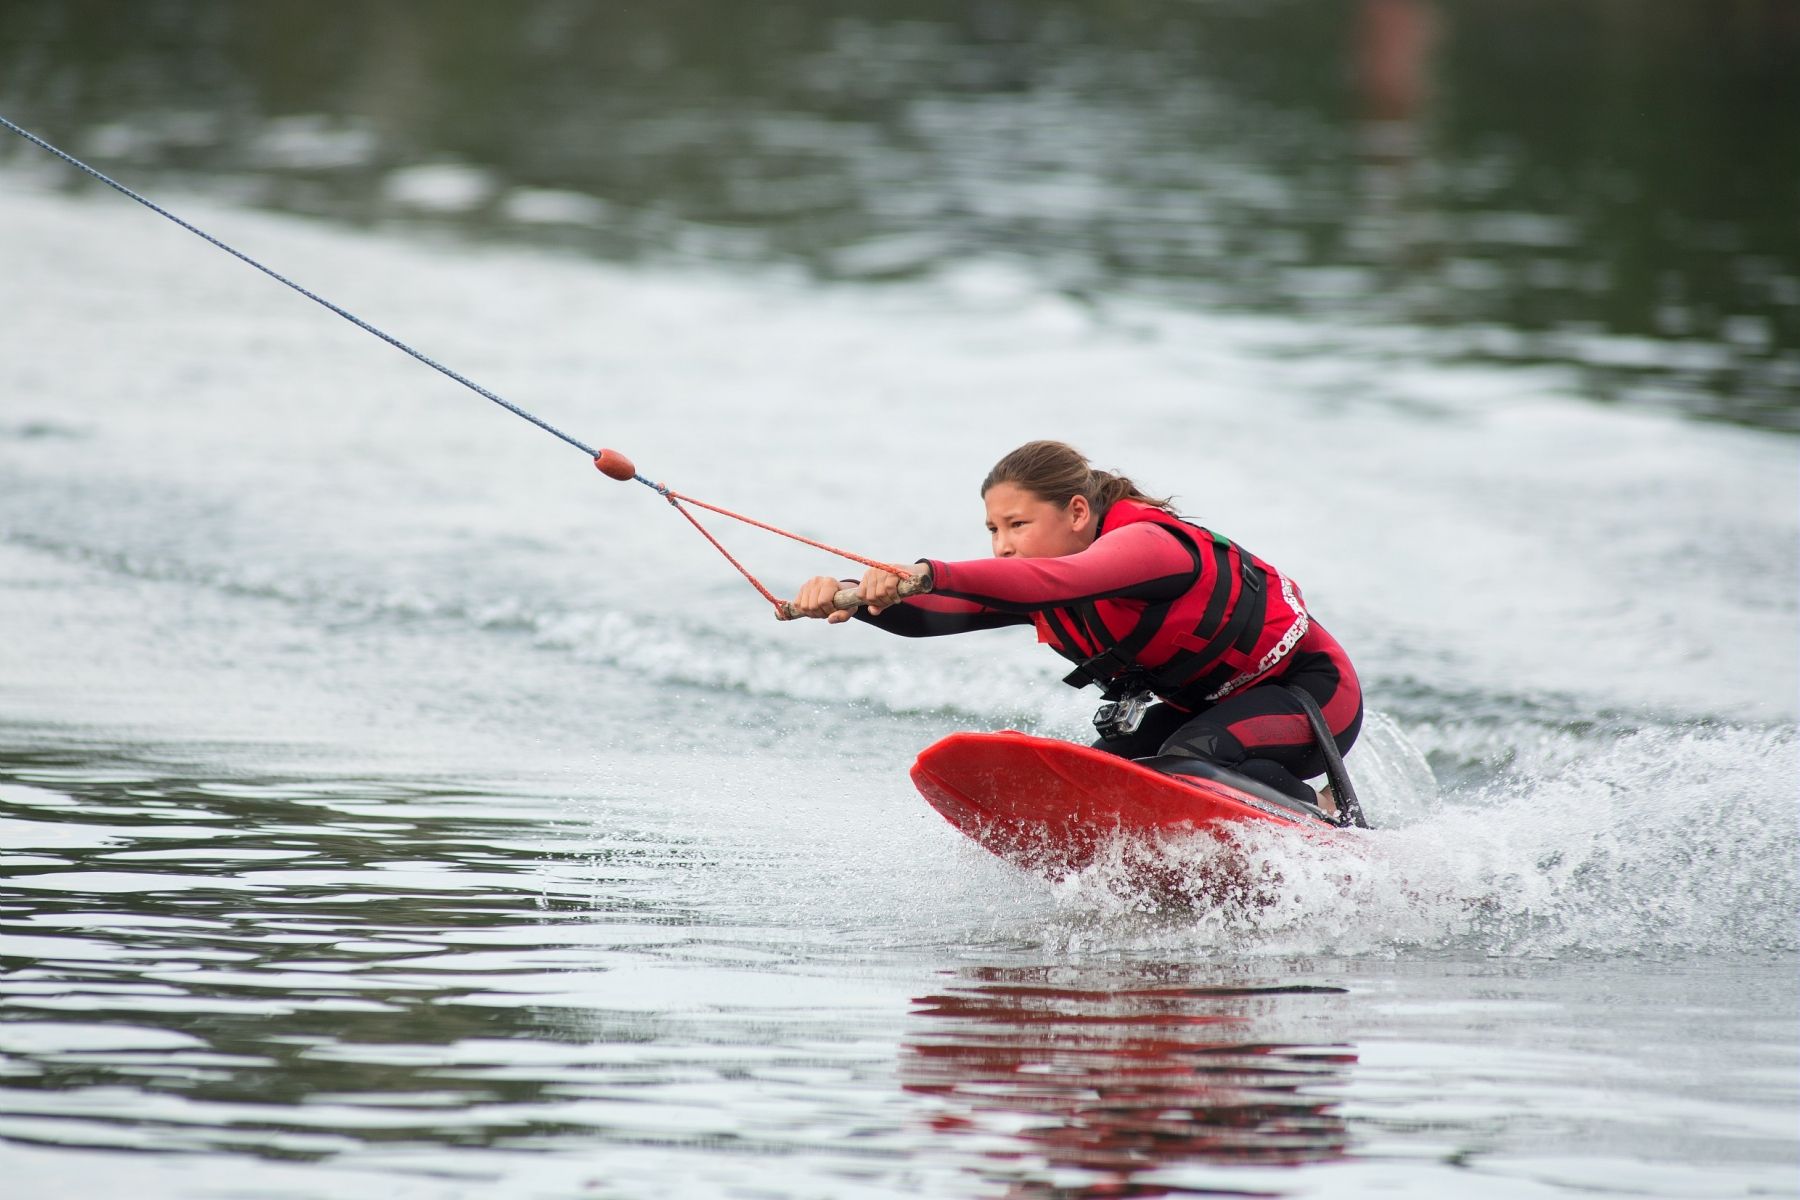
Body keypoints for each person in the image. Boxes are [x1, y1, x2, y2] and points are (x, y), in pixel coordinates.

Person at [789, 440, 1362, 818]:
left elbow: (1062, 579)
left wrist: (928, 571)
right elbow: (935, 617)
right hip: (1208, 706)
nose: (1003, 545)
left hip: (1310, 697)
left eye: (1018, 524)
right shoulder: (1035, 578)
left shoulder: (1149, 545)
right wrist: (860, 600)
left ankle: (1327, 826)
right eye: (993, 529)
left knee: (1188, 763)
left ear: (1078, 514)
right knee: (1107, 785)